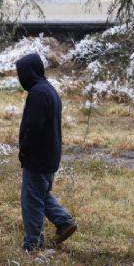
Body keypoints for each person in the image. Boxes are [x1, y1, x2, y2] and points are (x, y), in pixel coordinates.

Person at [15, 53, 77, 252]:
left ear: (30, 71)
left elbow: (33, 126)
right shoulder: (48, 89)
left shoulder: (38, 93)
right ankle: (64, 222)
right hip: (50, 156)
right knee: (40, 194)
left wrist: (24, 149)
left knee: (31, 201)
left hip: (38, 156)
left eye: (21, 73)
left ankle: (32, 245)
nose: (20, 77)